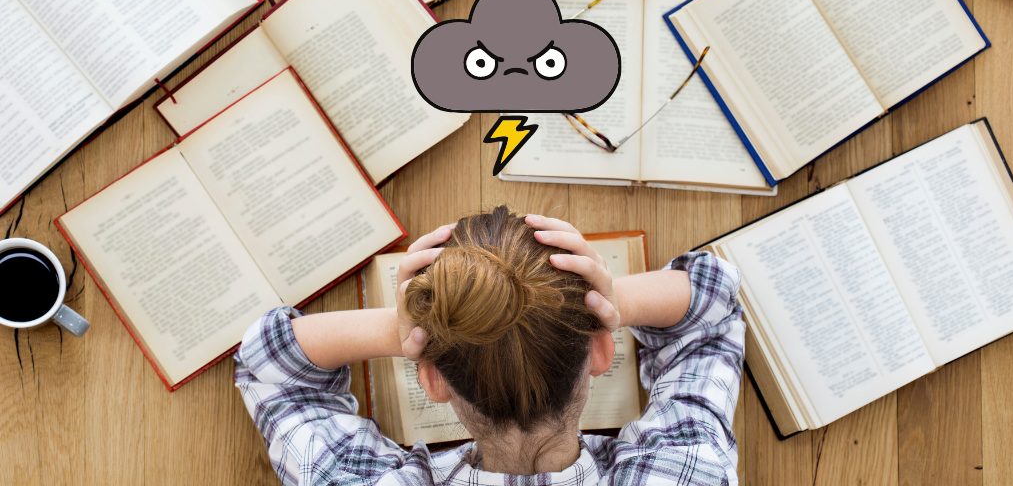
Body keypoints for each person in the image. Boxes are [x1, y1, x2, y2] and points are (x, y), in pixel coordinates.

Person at [235, 206, 745, 486]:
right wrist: (610, 299)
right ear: (601, 352)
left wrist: (400, 329)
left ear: (432, 379)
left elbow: (268, 365)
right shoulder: (684, 472)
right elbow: (713, 305)